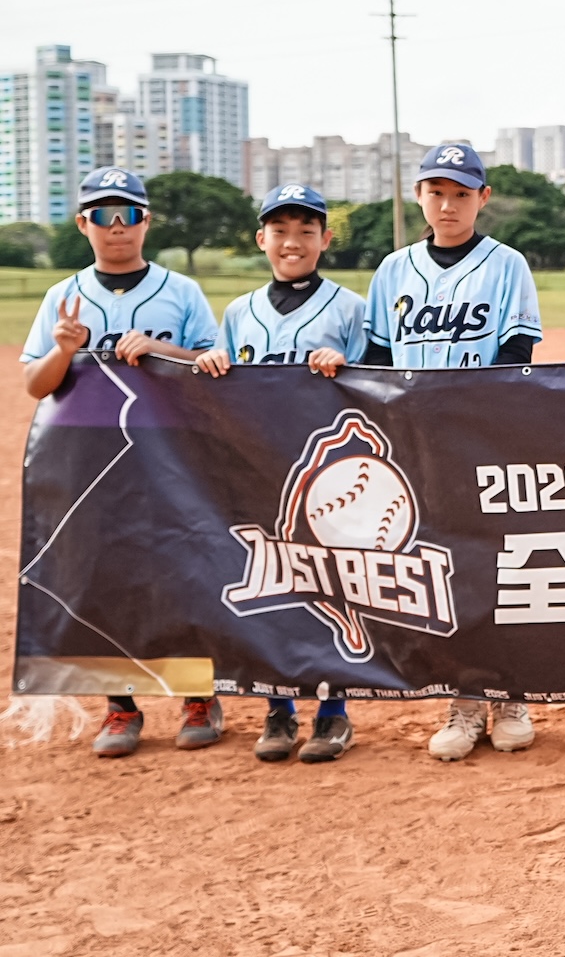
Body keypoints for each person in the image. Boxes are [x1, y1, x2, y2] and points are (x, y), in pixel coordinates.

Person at [21, 168, 220, 757]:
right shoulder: (63, 296)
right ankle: (121, 705)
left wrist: (160, 349)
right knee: (103, 571)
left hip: (167, 447)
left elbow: (212, 369)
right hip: (87, 450)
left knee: (180, 565)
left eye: (129, 214)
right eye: (103, 216)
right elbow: (35, 384)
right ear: (83, 224)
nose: (117, 227)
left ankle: (198, 696)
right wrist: (64, 349)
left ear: (146, 222)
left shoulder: (181, 291)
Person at [364, 144, 544, 761]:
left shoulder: (507, 265)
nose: (448, 204)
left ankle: (510, 694)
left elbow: (516, 355)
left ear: (482, 198)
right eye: (436, 192)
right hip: (416, 447)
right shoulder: (393, 270)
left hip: (484, 441)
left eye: (461, 194)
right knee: (443, 572)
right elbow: (377, 364)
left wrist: (476, 422)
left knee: (497, 568)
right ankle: (464, 701)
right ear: (418, 195)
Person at [194, 183, 369, 764]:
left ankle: (334, 712)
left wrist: (347, 364)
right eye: (280, 230)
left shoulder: (349, 308)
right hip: (259, 467)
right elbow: (219, 389)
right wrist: (212, 360)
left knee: (331, 587)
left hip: (327, 478)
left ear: (325, 239)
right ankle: (278, 709)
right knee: (271, 589)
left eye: (305, 230)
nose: (292, 241)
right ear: (261, 238)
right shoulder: (238, 312)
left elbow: (378, 384)